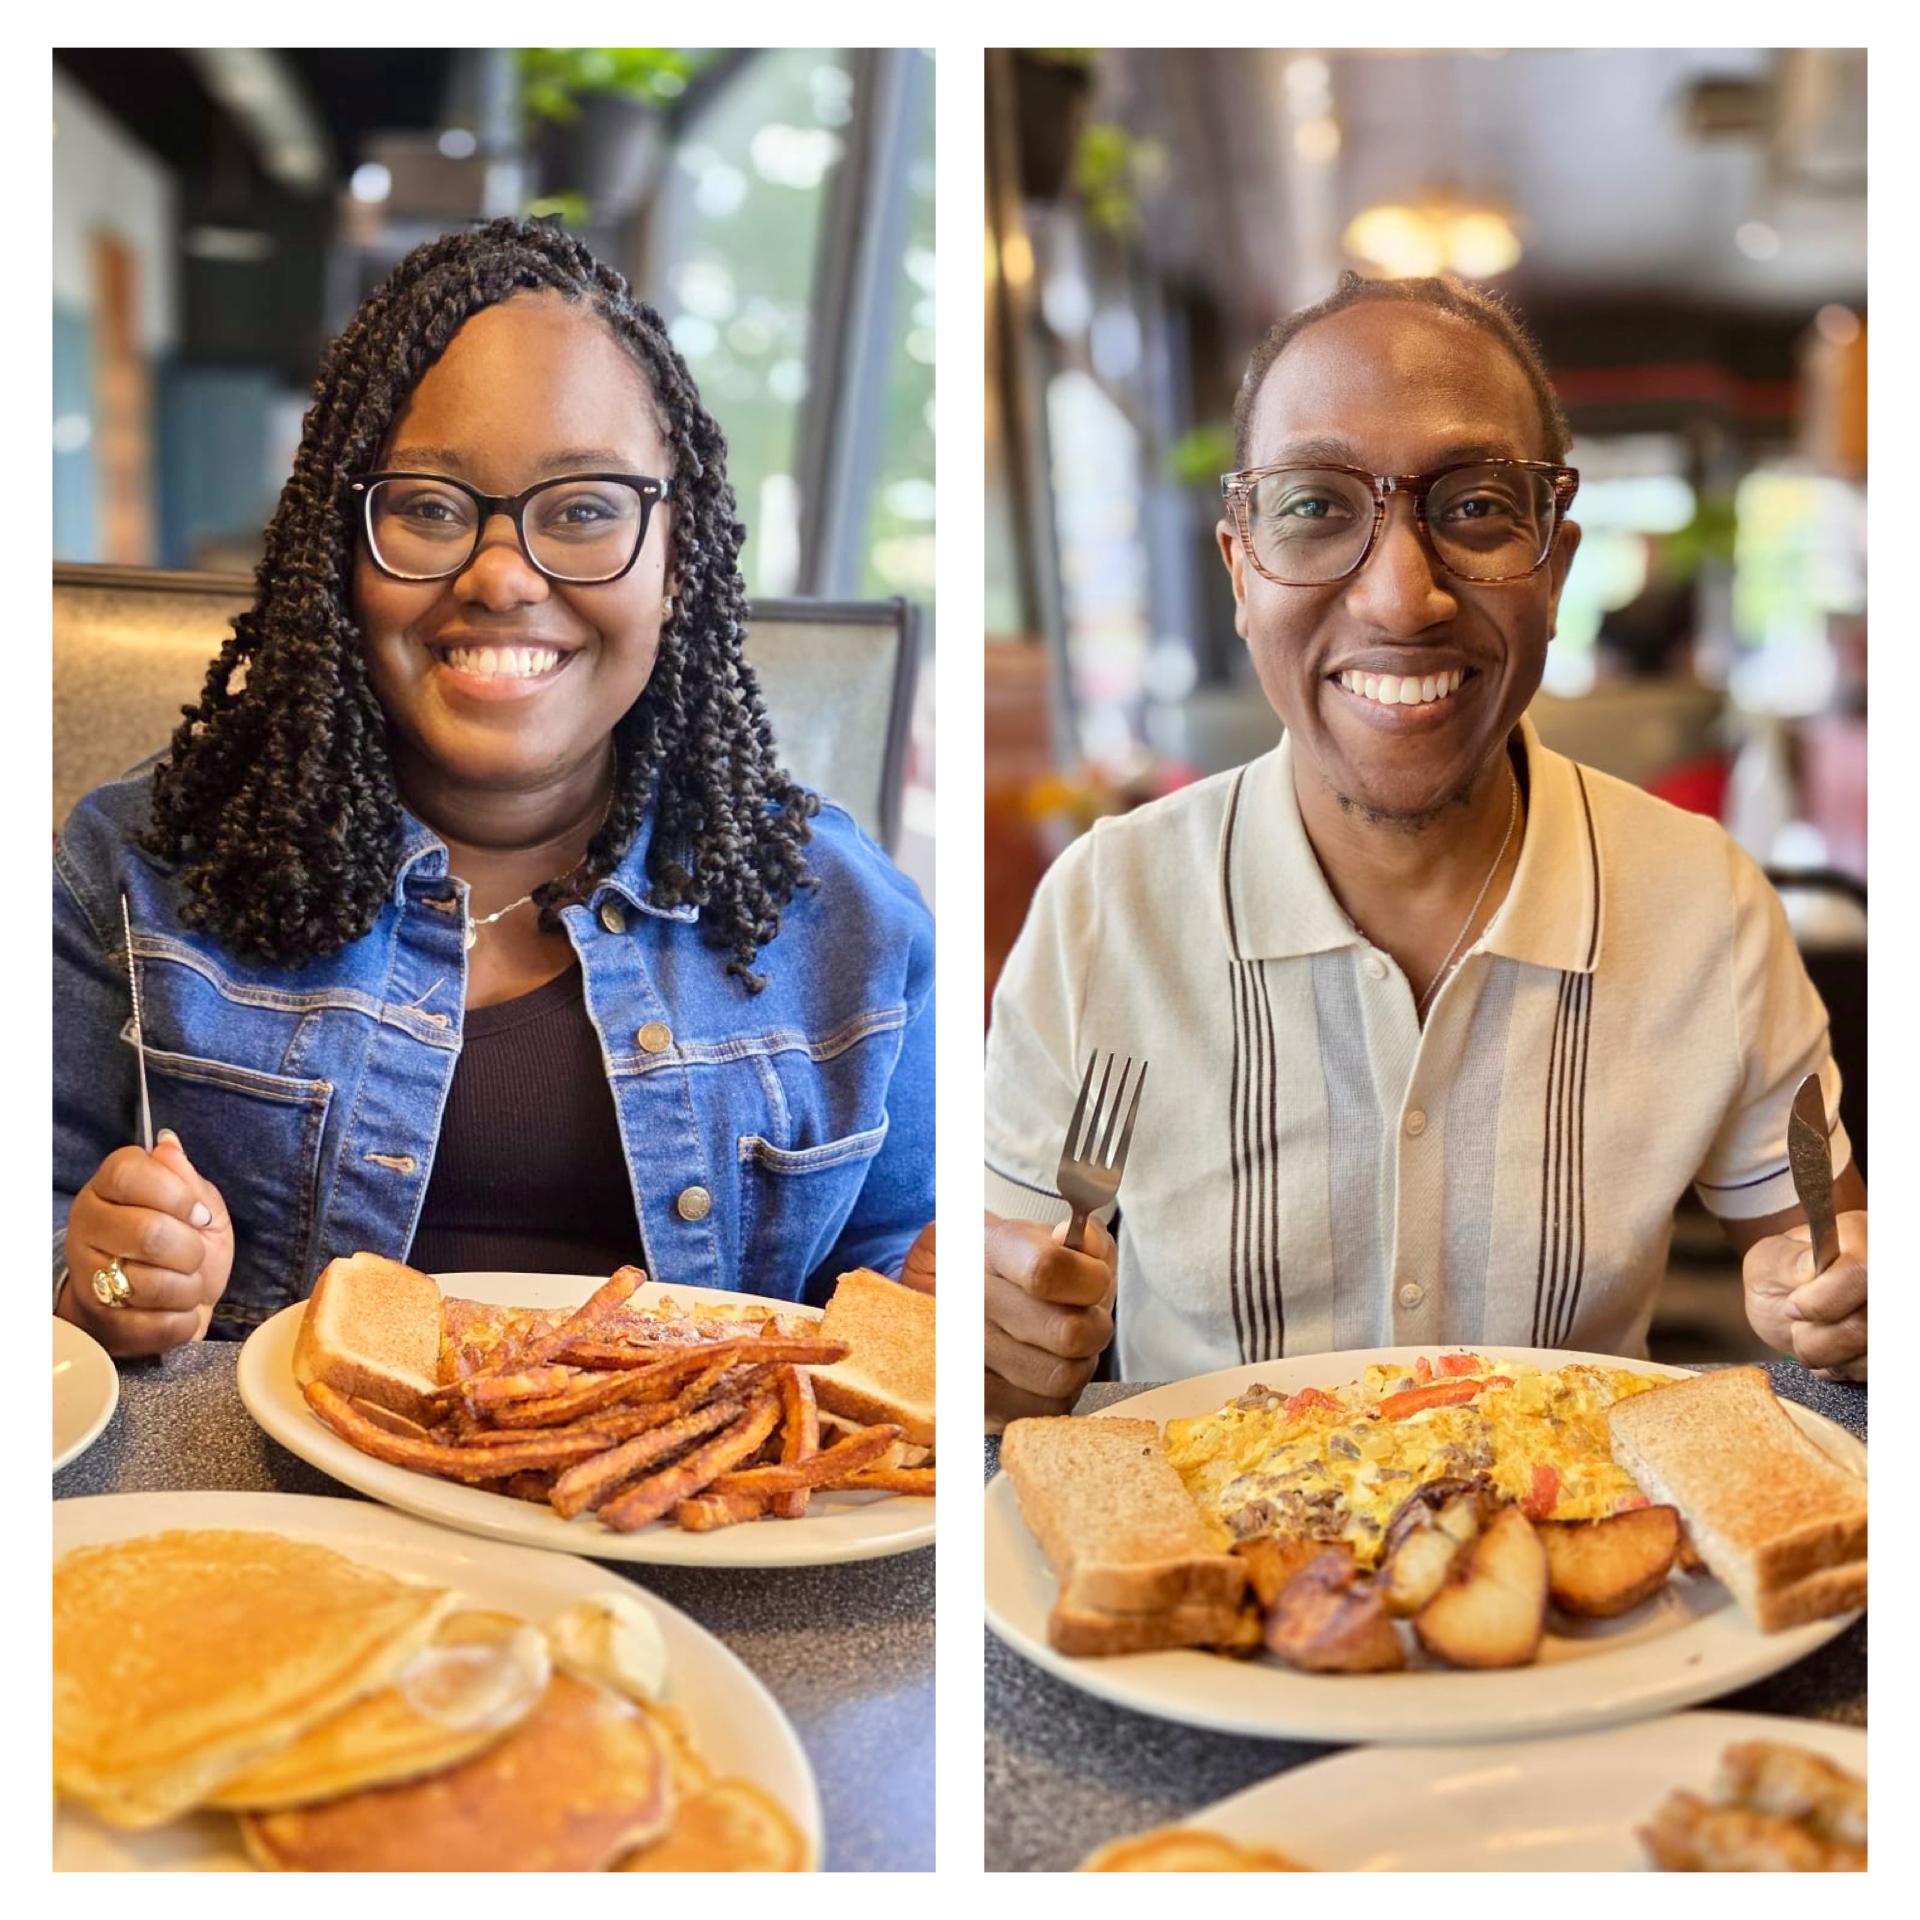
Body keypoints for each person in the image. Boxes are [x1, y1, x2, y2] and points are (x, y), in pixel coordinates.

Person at [984, 272, 1865, 1425]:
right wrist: (1005, 1353)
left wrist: (1844, 1301)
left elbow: (1823, 1257)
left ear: (1554, 561)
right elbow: (1001, 1336)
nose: (1404, 598)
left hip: (1592, 1561)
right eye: (1315, 507)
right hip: (1197, 1557)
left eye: (1479, 506)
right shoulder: (1108, 905)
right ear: (1240, 567)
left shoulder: (1706, 903)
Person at [55, 217, 934, 1357]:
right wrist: (99, 1288)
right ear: (340, 551)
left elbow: (895, 1305)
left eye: (583, 511)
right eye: (427, 506)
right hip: (268, 1511)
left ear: (680, 561)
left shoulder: (848, 916)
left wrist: (966, 1317)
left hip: (681, 1528)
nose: (504, 574)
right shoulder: (135, 869)